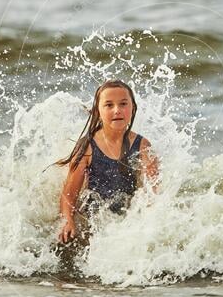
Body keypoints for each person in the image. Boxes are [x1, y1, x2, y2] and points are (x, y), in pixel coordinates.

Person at [56, 79, 159, 245]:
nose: (117, 110)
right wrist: (68, 221)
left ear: (132, 108)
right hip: (94, 218)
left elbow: (153, 193)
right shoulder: (87, 147)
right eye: (109, 105)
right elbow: (69, 194)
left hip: (127, 216)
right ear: (98, 111)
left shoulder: (142, 146)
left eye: (123, 104)